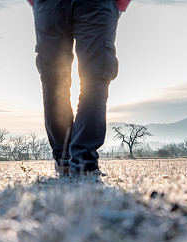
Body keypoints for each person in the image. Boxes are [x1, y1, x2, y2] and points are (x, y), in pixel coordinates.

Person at [29, 0, 131, 176]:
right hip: (94, 5)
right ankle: (82, 164)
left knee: (56, 82)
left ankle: (67, 162)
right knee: (92, 80)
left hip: (52, 5)